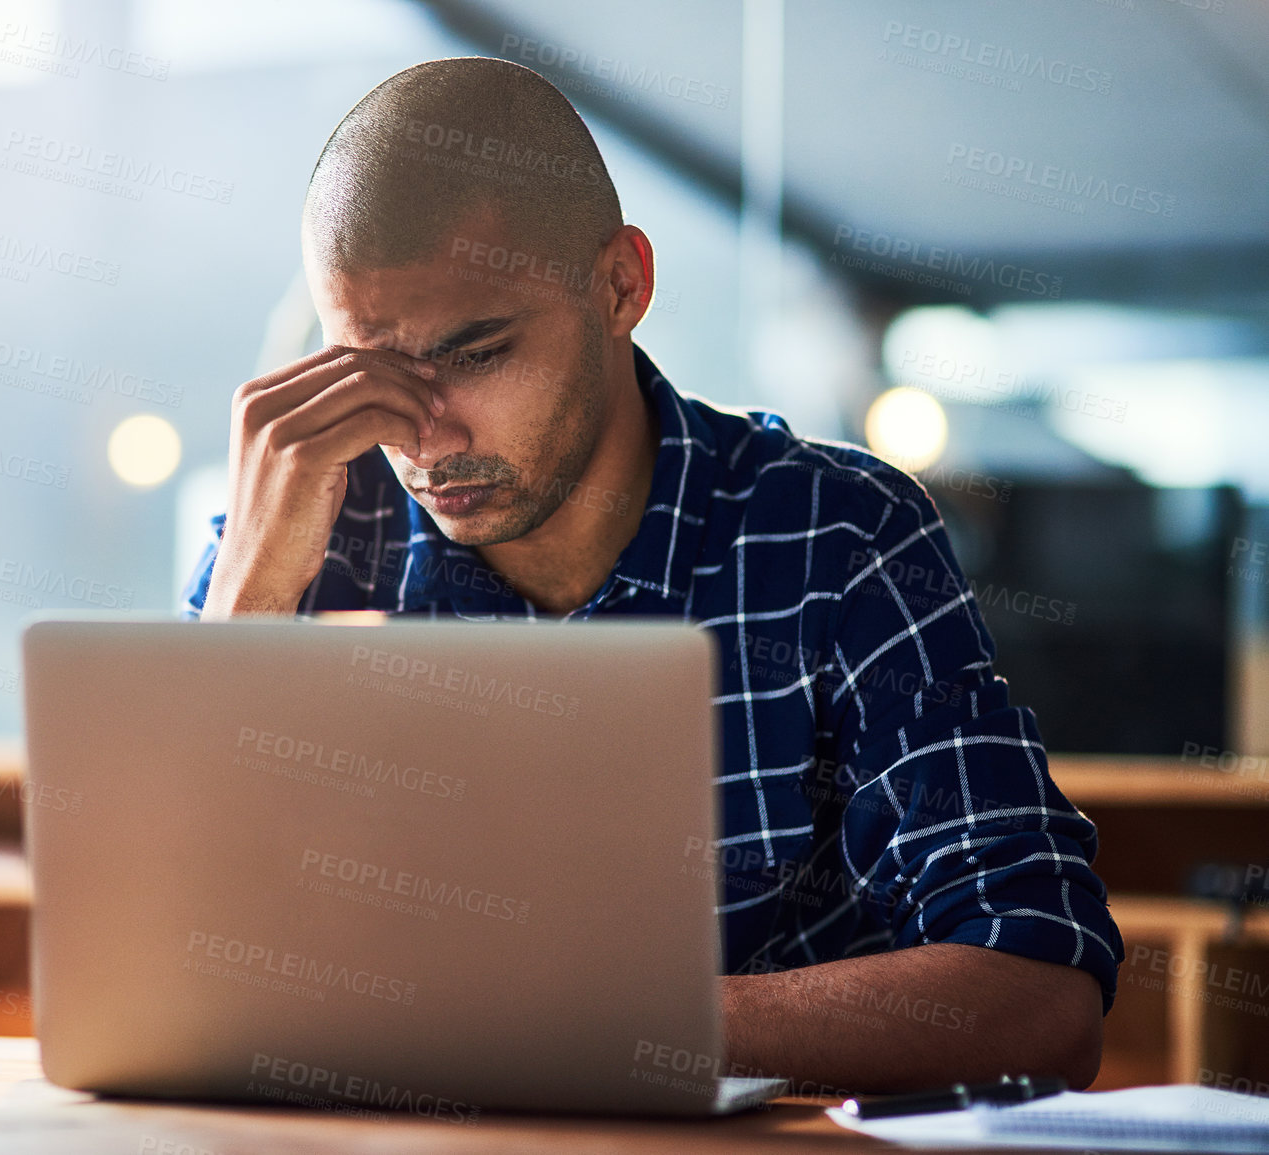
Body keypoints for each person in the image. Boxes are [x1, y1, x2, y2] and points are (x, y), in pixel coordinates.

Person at [182, 56, 1121, 1094]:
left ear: (622, 285)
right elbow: (165, 969)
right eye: (371, 368)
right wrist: (242, 613)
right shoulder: (301, 539)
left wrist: (588, 1028)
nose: (426, 435)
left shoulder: (836, 537)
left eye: (478, 353)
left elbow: (1042, 993)